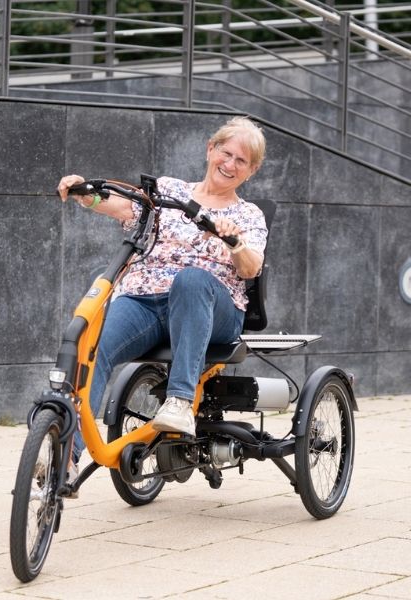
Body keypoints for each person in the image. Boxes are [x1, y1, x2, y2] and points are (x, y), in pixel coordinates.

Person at [56, 116, 269, 479]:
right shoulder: (169, 191)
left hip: (213, 307)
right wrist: (84, 193)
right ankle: (66, 456)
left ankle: (180, 401)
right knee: (93, 347)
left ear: (251, 171)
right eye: (226, 153)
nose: (230, 164)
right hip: (145, 301)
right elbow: (122, 207)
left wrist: (234, 241)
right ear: (210, 149)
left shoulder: (247, 215)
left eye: (241, 161)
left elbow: (251, 268)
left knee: (190, 280)